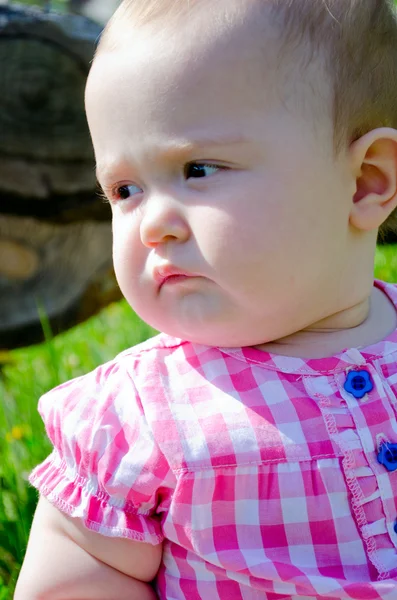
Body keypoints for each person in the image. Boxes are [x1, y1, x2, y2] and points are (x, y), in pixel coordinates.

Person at [14, 0, 397, 598]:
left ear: (367, 181)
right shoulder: (135, 415)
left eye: (197, 169)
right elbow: (76, 579)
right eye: (125, 190)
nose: (152, 225)